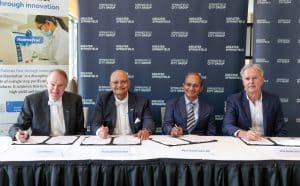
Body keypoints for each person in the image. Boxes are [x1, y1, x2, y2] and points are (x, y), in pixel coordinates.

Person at [8, 69, 85, 142]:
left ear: (65, 86)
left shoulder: (75, 100)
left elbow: (80, 130)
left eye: (60, 85)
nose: (55, 89)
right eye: (52, 84)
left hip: (69, 144)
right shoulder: (32, 100)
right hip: (41, 145)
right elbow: (18, 126)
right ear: (47, 84)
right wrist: (17, 134)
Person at [222, 64, 287, 140]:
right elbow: (227, 126)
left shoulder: (273, 100)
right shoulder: (234, 100)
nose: (251, 82)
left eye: (255, 78)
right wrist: (244, 134)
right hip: (244, 142)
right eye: (247, 78)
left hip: (267, 143)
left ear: (262, 80)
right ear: (243, 82)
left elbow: (281, 130)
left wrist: (273, 144)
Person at [91, 69, 155, 140]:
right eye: (115, 82)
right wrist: (100, 131)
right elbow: (95, 124)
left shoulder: (142, 101)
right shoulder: (103, 100)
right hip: (110, 141)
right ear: (110, 85)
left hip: (134, 140)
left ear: (129, 83)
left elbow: (148, 121)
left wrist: (146, 131)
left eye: (123, 82)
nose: (119, 85)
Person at [163, 72, 216, 137]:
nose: (191, 88)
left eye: (195, 86)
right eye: (188, 84)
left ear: (201, 88)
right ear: (183, 86)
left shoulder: (209, 109)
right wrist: (172, 130)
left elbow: (211, 133)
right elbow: (166, 125)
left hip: (201, 144)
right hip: (178, 142)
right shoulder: (171, 104)